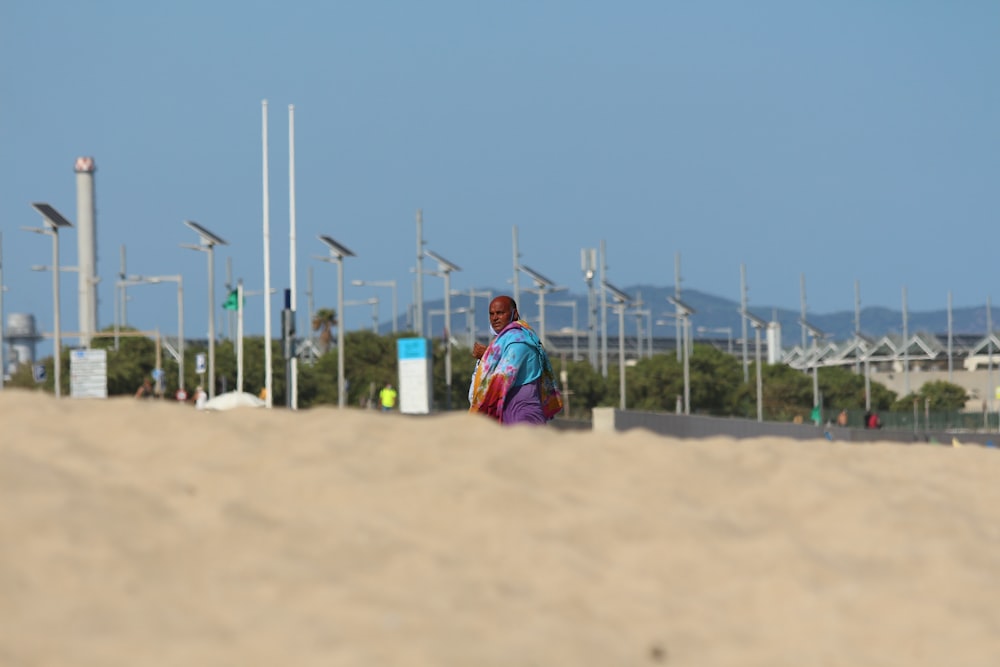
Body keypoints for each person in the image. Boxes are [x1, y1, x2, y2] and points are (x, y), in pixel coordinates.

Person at [468, 295, 563, 425]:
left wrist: (486, 356)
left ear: (514, 314)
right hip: (508, 415)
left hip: (523, 416)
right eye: (492, 314)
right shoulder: (504, 342)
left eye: (500, 313)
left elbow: (501, 378)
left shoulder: (519, 341)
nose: (495, 318)